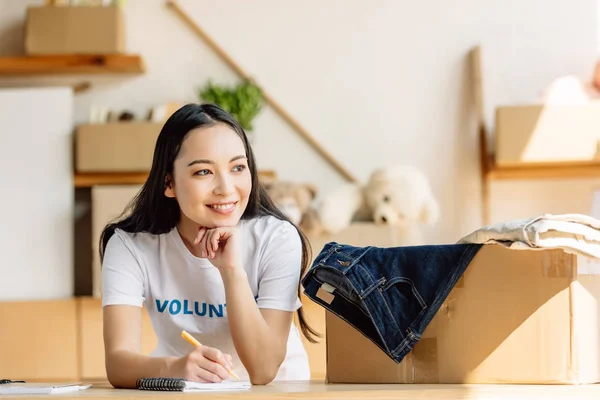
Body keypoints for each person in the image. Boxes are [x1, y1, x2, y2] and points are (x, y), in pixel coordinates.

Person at [100, 103, 318, 388]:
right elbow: (118, 363)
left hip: (278, 393)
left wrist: (231, 271)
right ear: (169, 183)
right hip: (186, 390)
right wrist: (176, 367)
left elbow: (264, 370)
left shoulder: (277, 239)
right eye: (203, 172)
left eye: (238, 167)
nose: (226, 188)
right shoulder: (130, 246)